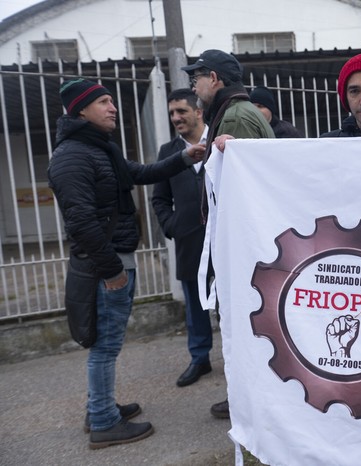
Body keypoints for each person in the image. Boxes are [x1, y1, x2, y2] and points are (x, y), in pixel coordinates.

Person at [47, 78, 205, 448]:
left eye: (111, 101)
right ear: (81, 110)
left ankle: (99, 407)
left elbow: (139, 173)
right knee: (104, 347)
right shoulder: (72, 156)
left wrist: (184, 157)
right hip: (106, 267)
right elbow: (81, 224)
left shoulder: (99, 148)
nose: (112, 107)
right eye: (103, 101)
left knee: (106, 345)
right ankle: (103, 421)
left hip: (115, 260)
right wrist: (113, 271)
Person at [182, 49, 275, 420]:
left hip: (247, 247)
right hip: (241, 244)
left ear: (215, 79)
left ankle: (253, 401)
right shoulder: (232, 113)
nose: (193, 84)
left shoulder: (237, 116)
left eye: (197, 76)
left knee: (246, 325)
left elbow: (251, 190)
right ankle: (245, 394)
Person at [151, 89, 213, 388]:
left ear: (198, 111)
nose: (176, 118)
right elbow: (159, 198)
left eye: (181, 111)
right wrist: (172, 225)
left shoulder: (221, 141)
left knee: (230, 302)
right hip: (188, 240)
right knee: (195, 304)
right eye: (172, 113)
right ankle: (199, 358)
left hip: (224, 240)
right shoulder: (168, 152)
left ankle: (238, 357)